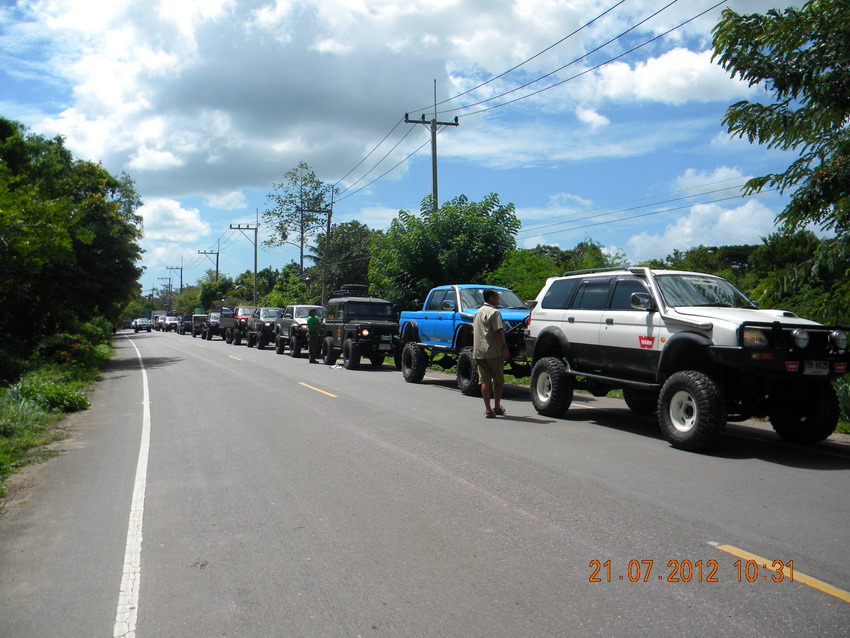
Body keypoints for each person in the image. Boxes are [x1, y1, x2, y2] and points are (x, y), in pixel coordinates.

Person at [472, 289, 510, 418]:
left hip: (479, 352)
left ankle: (488, 409)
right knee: (498, 380)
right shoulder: (494, 312)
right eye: (496, 296)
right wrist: (504, 347)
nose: (498, 299)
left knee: (485, 381)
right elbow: (498, 331)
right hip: (493, 351)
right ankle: (497, 407)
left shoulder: (478, 312)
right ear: (490, 298)